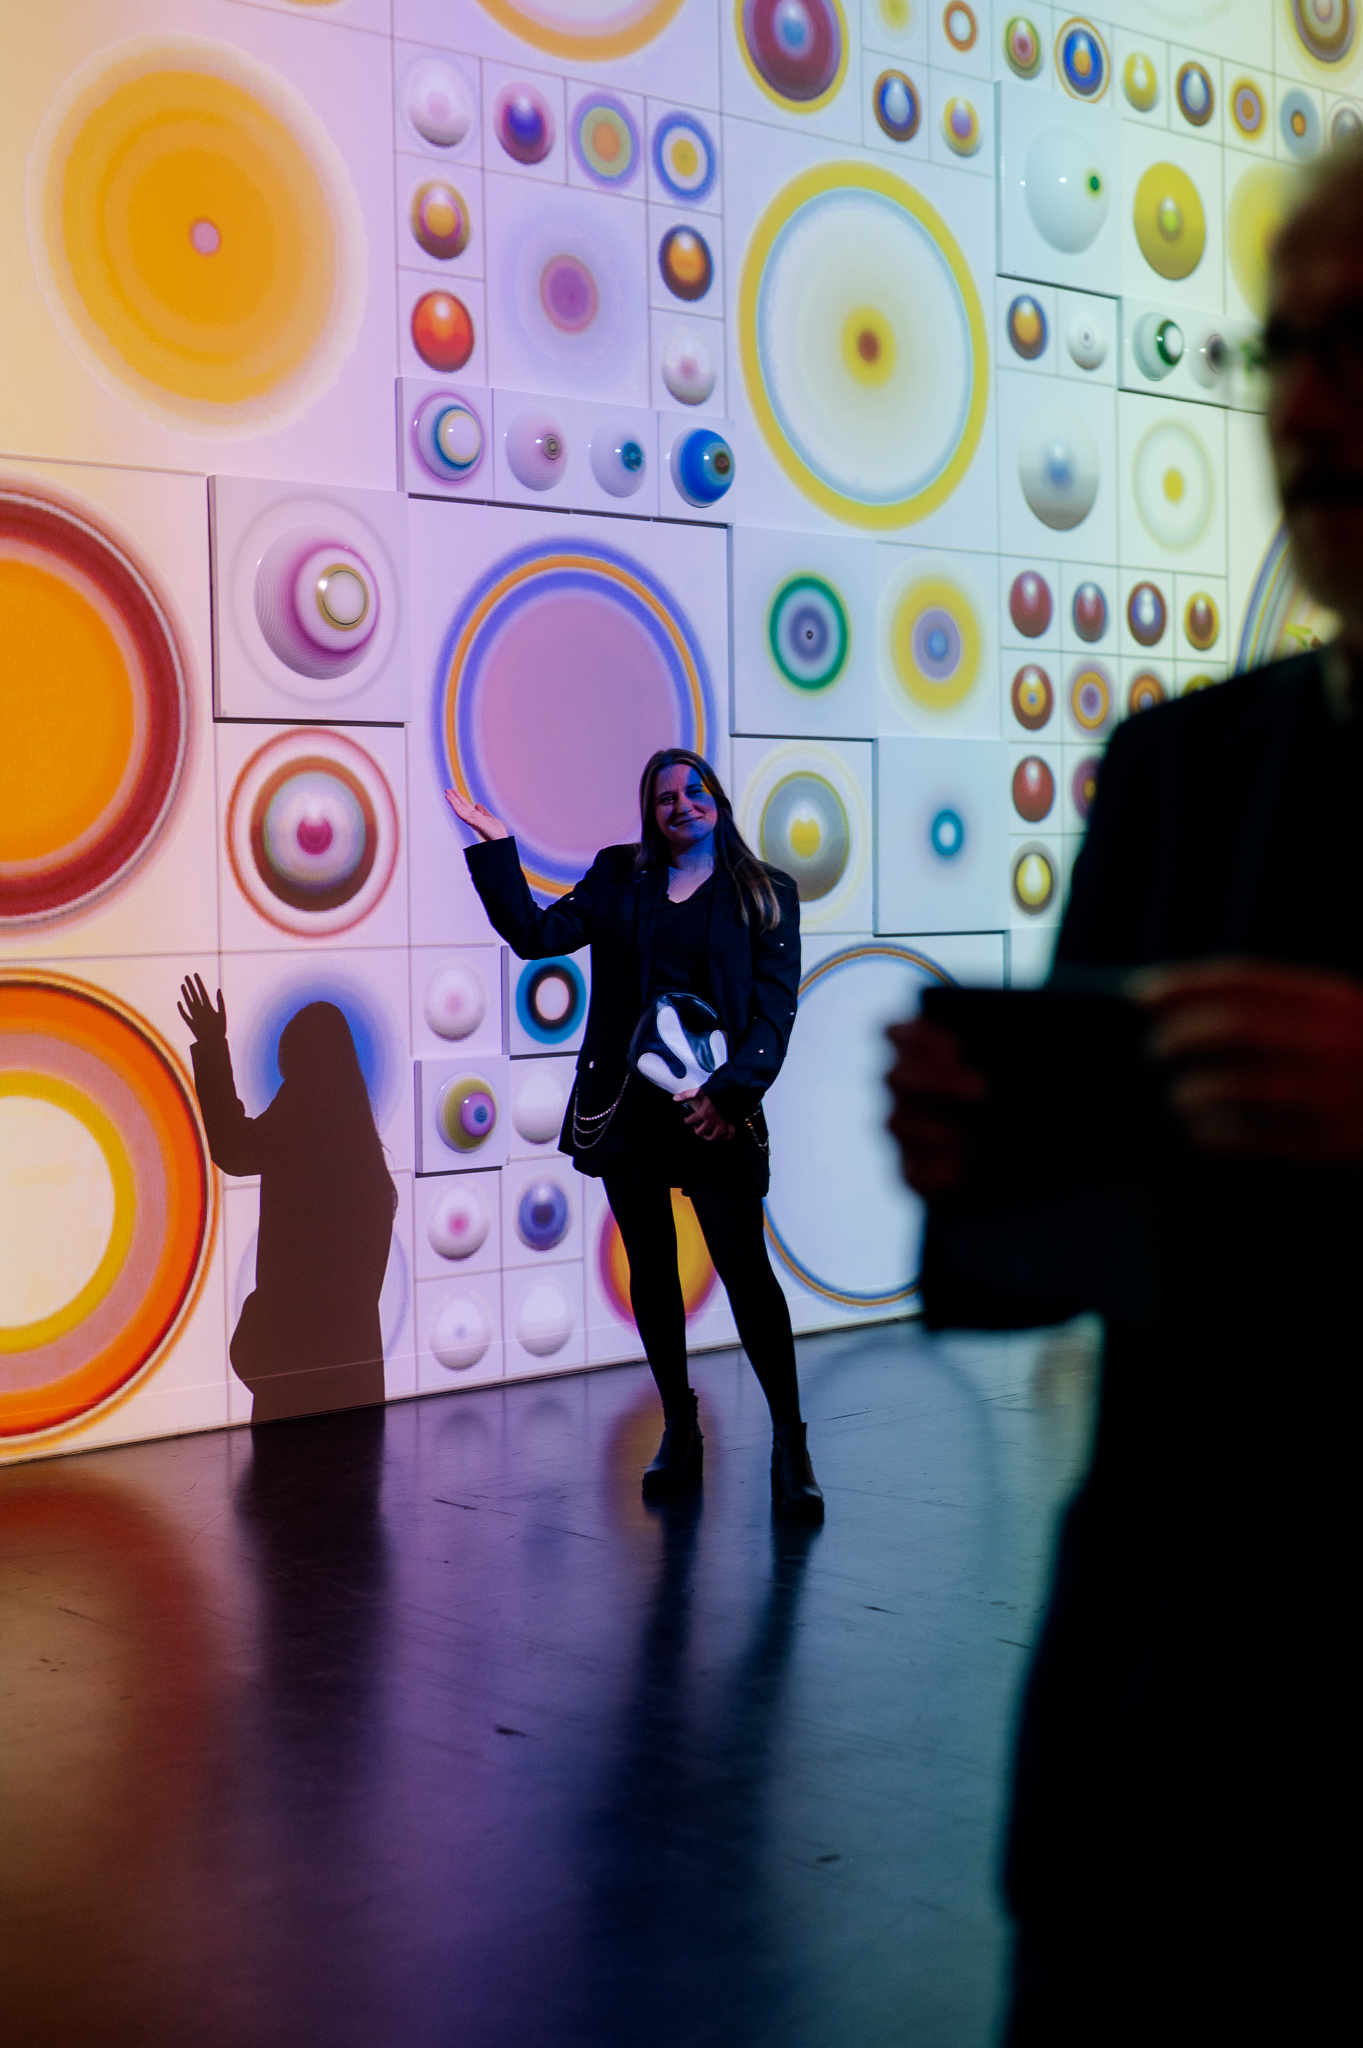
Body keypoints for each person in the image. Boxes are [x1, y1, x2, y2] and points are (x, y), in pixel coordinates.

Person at [886, 145, 1363, 2040]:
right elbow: (1078, 1260)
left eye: (1355, 345)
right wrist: (983, 1157)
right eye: (1282, 351)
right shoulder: (1180, 774)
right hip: (1151, 1777)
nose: (1303, 408)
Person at [446, 749, 823, 1520]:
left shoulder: (764, 891)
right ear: (649, 813)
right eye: (664, 798)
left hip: (716, 1107)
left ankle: (790, 1442)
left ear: (717, 800)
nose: (681, 805)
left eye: (694, 790)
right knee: (650, 1268)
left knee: (744, 1271)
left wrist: (727, 1096)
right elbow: (535, 935)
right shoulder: (620, 875)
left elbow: (774, 1012)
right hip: (628, 1109)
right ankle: (679, 1427)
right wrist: (495, 845)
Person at [178, 976, 398, 1424]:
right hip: (352, 1369)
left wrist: (212, 1045)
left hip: (298, 1369)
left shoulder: (300, 1108)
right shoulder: (359, 1140)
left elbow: (234, 1148)